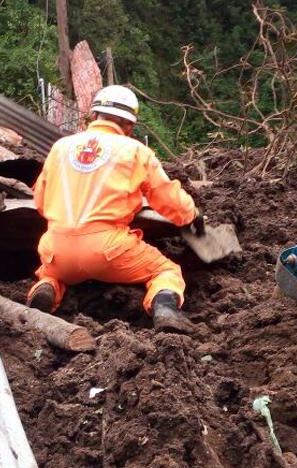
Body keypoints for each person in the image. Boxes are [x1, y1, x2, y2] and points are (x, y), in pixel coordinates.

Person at [26, 84, 205, 331]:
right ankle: (164, 307)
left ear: (94, 116)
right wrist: (191, 214)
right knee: (166, 270)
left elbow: (41, 201)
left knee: (50, 272)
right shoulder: (135, 151)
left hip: (56, 249)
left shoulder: (60, 147)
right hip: (109, 250)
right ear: (129, 125)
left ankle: (47, 288)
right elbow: (167, 198)